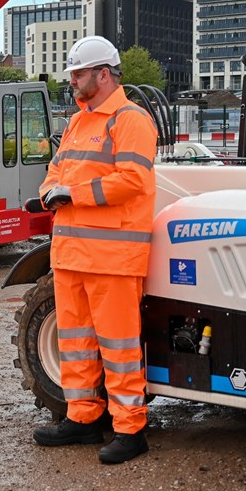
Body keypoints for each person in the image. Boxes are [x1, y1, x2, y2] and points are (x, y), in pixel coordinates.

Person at [32, 35, 157, 464]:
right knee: (76, 342)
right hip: (71, 256)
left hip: (113, 259)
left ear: (103, 74)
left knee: (119, 346)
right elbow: (54, 171)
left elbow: (132, 180)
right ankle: (83, 417)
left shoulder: (130, 119)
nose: (72, 80)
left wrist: (73, 192)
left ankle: (130, 429)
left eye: (79, 73)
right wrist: (51, 190)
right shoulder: (77, 121)